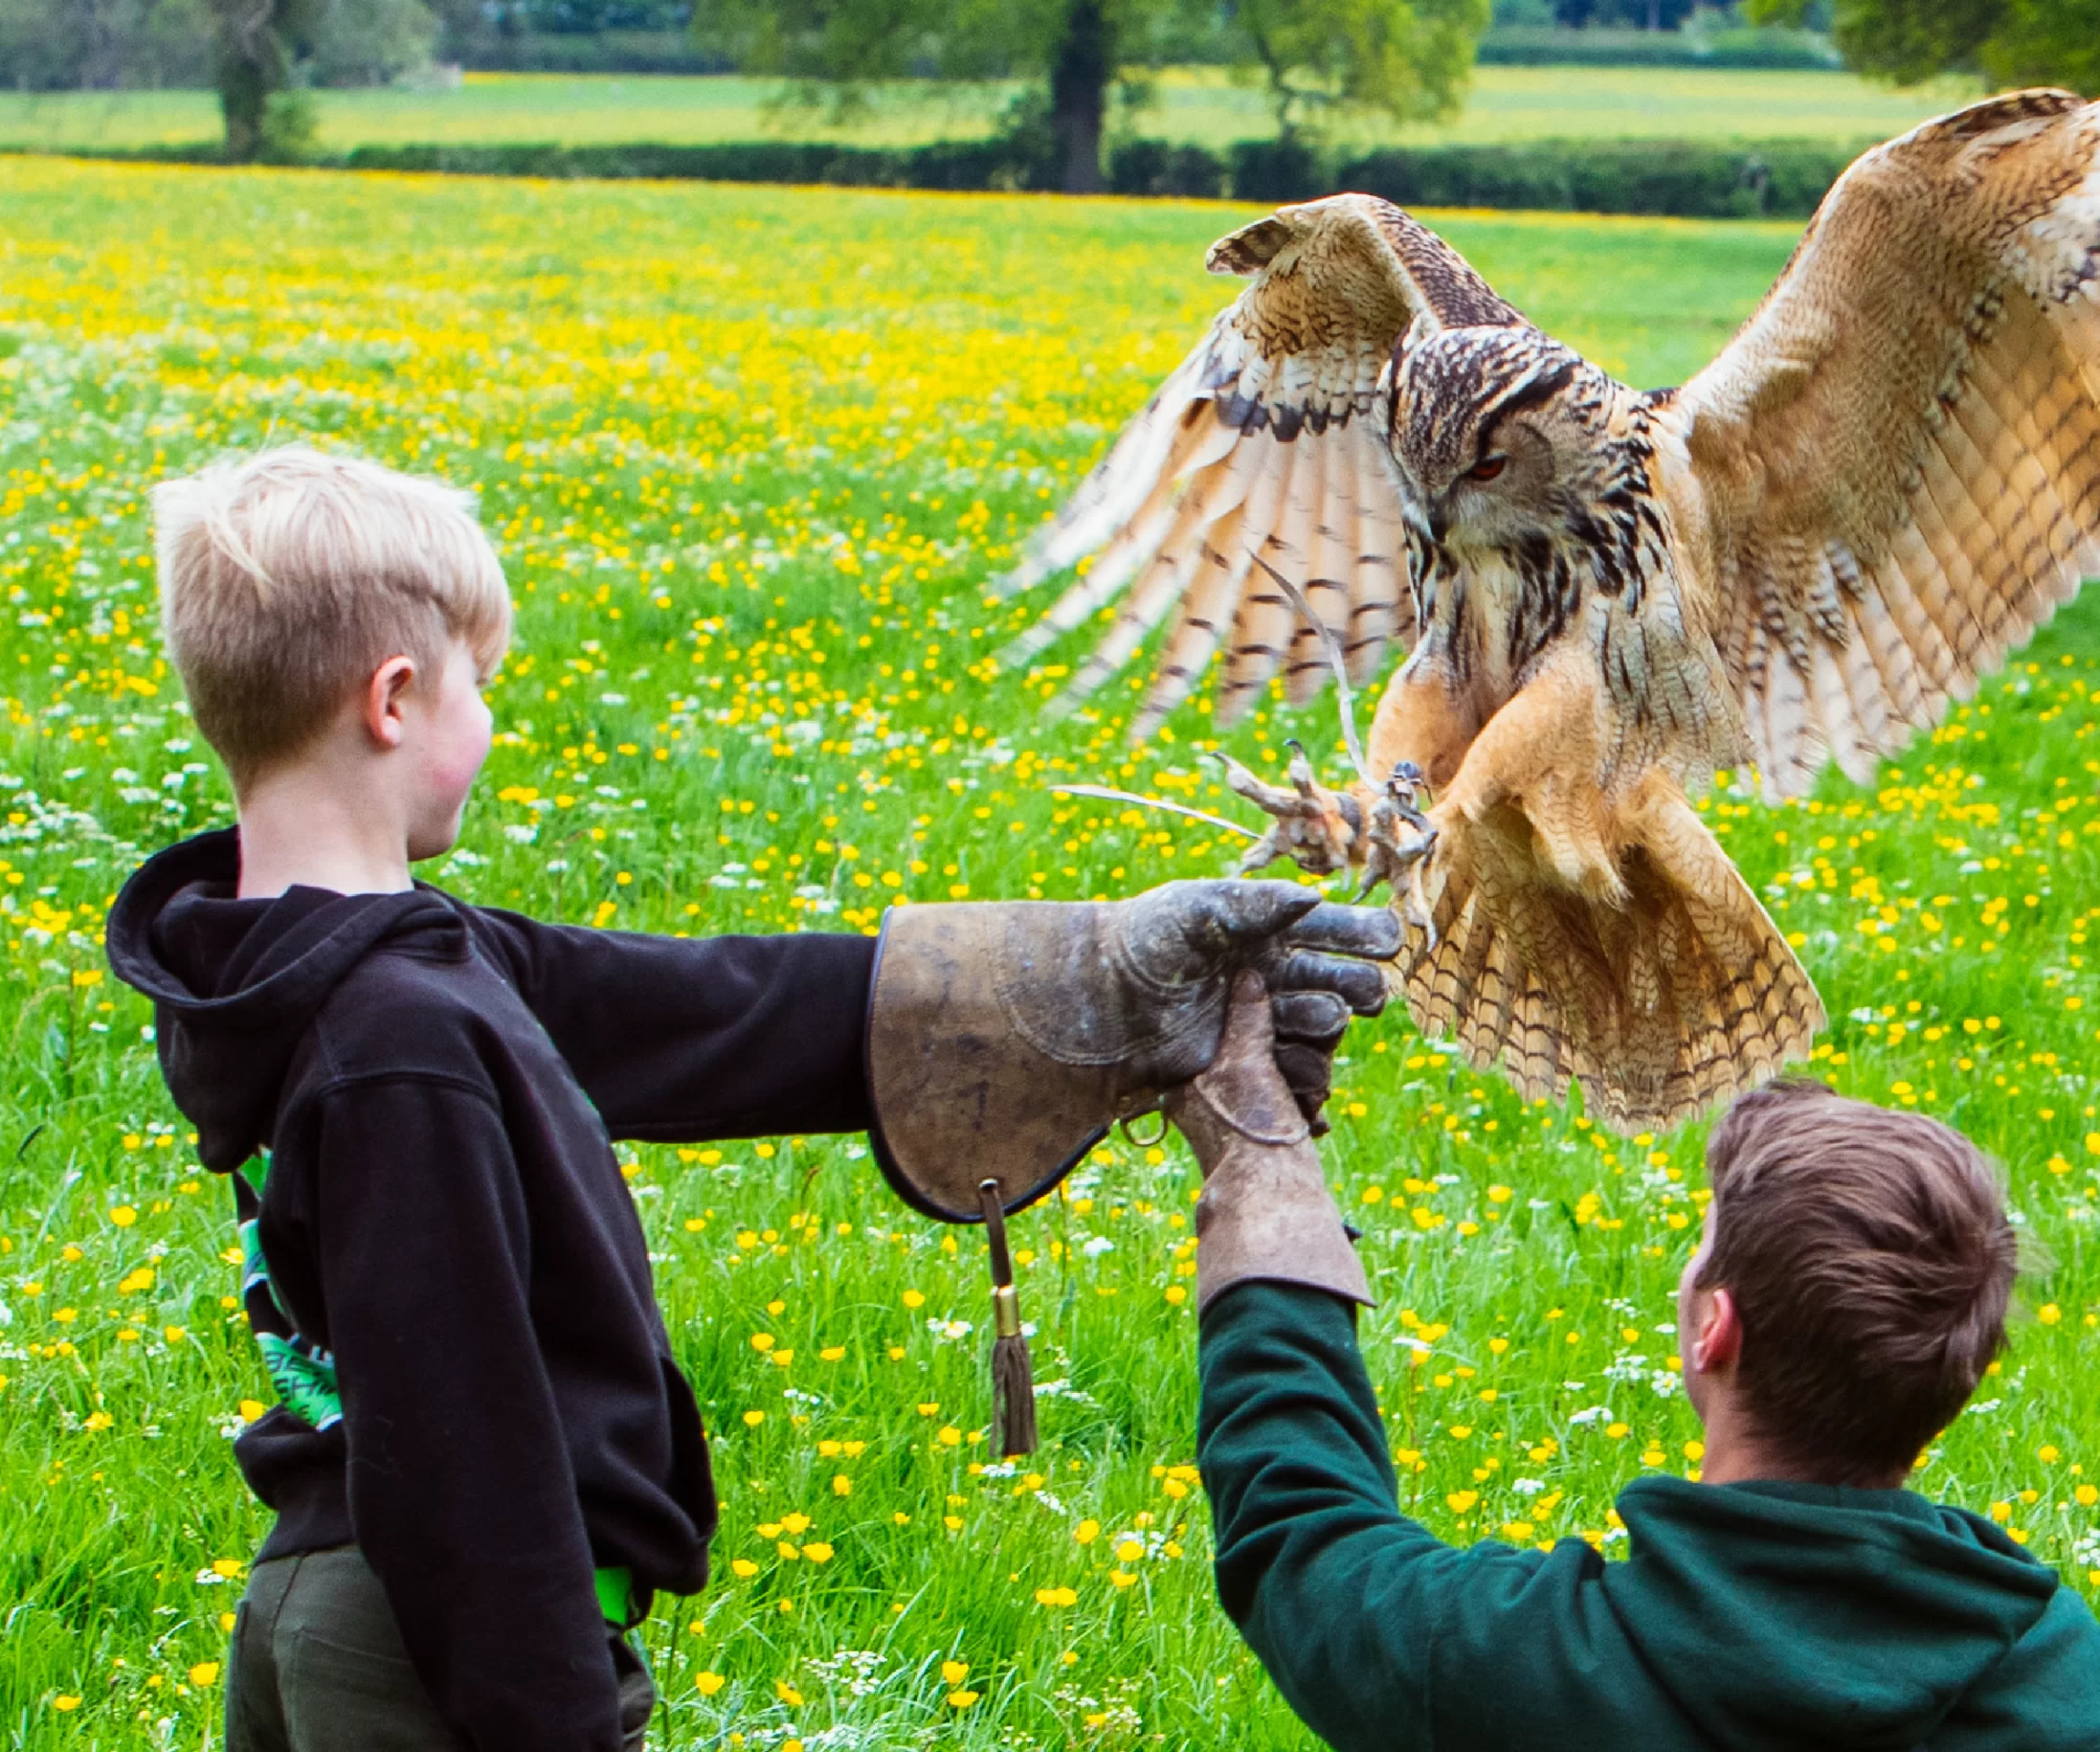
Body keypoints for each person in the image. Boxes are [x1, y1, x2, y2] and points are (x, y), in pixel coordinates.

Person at [104, 445, 1399, 1752]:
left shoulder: (308, 970)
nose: (489, 720)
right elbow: (466, 1463)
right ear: (392, 699)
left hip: (343, 1604)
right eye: (479, 688)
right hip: (438, 1647)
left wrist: (1094, 979)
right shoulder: (404, 1035)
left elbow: (705, 1012)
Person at [1175, 979, 2100, 1750]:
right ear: (1953, 1377)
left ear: (1714, 1330)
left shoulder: (1532, 1669)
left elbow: (1301, 1541)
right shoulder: (2083, 1704)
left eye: (1700, 1244)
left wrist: (1262, 1174)